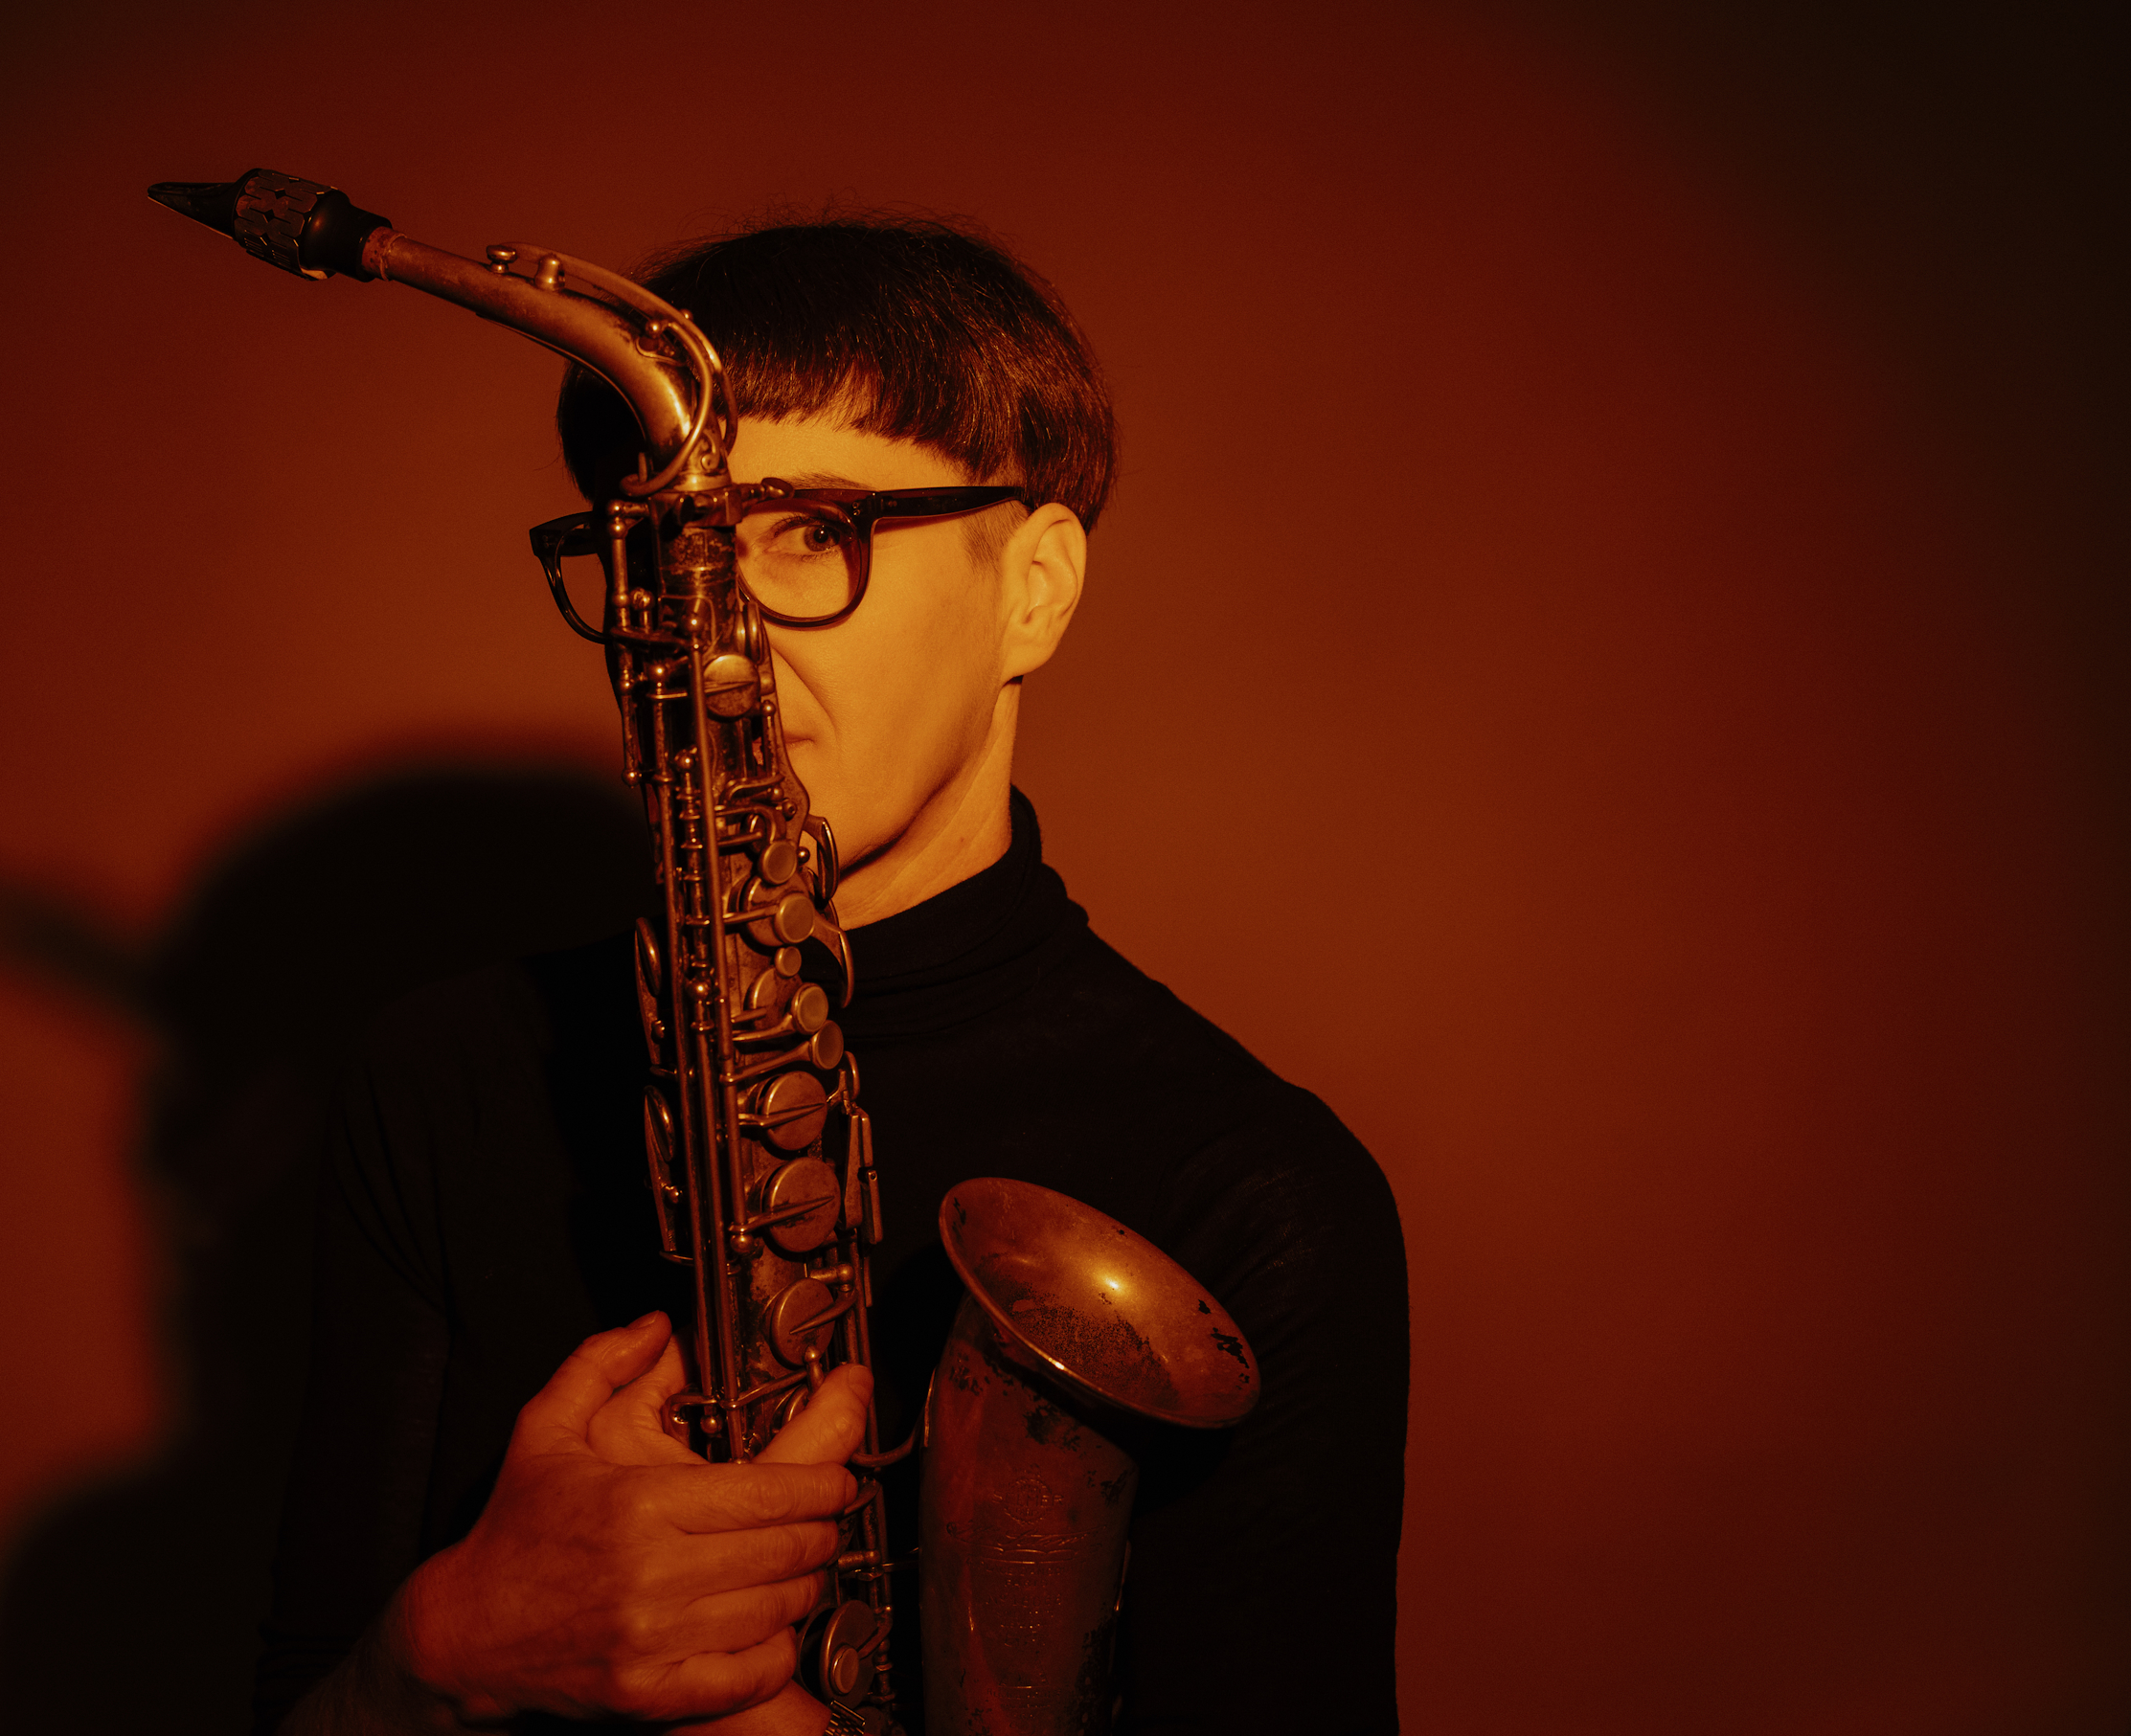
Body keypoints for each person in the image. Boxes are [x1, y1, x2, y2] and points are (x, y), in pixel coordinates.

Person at [254, 217, 1409, 1735]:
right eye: (663, 549)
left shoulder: (1255, 1190)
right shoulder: (441, 1079)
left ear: (1036, 586)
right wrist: (444, 1653)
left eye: (809, 529)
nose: (713, 646)